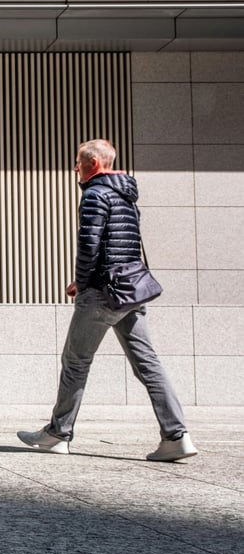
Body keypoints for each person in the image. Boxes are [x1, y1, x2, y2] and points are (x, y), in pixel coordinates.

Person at [17, 139, 197, 462]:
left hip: (102, 292)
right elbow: (122, 246)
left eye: (77, 162)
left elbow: (89, 245)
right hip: (131, 291)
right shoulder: (126, 194)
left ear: (93, 164)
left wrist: (83, 284)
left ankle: (58, 434)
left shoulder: (95, 194)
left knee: (75, 362)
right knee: (149, 364)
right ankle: (177, 435)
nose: (75, 169)